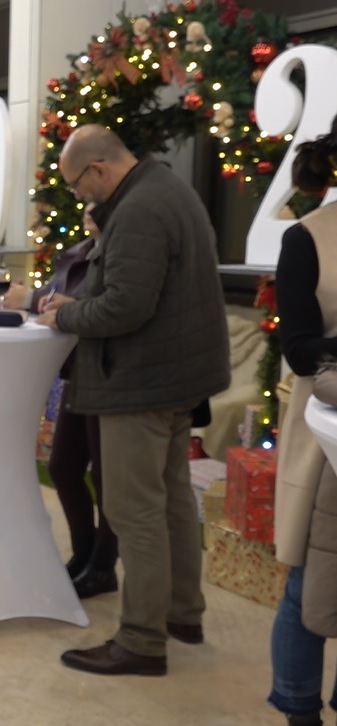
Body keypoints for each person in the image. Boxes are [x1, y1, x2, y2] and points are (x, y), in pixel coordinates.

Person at [41, 125, 230, 676]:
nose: (78, 196)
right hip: (175, 378)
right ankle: (181, 614)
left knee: (133, 509)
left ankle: (142, 639)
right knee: (171, 501)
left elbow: (125, 306)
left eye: (77, 184)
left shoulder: (139, 209)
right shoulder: (168, 189)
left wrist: (65, 314)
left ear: (98, 169)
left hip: (140, 382)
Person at [0, 203, 117, 599]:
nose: (88, 207)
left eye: (98, 203)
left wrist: (32, 298)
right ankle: (84, 553)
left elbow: (87, 303)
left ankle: (103, 565)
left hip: (107, 372)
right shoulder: (80, 251)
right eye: (86, 202)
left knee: (106, 478)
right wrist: (30, 299)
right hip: (78, 371)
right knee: (63, 467)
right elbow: (57, 297)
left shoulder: (116, 252)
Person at [267, 115, 337, 726]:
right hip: (325, 429)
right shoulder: (307, 238)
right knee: (308, 576)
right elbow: (298, 348)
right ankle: (298, 709)